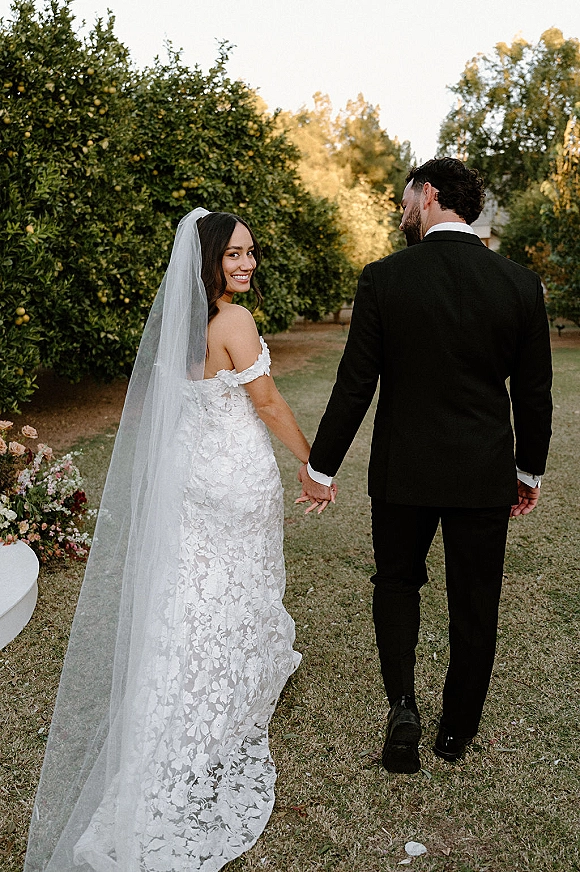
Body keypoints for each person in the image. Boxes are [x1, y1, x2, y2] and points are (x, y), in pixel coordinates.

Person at [24, 209, 312, 871]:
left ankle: (191, 693)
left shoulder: (182, 329)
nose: (246, 265)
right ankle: (229, 695)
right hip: (234, 478)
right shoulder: (234, 321)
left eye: (250, 255)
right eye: (235, 255)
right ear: (208, 259)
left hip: (192, 479)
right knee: (240, 582)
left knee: (193, 593)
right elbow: (265, 403)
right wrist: (311, 459)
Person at [297, 158, 552, 774]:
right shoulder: (518, 283)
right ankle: (455, 731)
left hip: (403, 472)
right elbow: (536, 393)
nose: (402, 208)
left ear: (430, 195)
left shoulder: (384, 278)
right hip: (482, 474)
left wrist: (321, 468)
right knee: (476, 601)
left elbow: (355, 385)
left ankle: (403, 706)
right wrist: (529, 472)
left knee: (396, 583)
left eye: (407, 197)